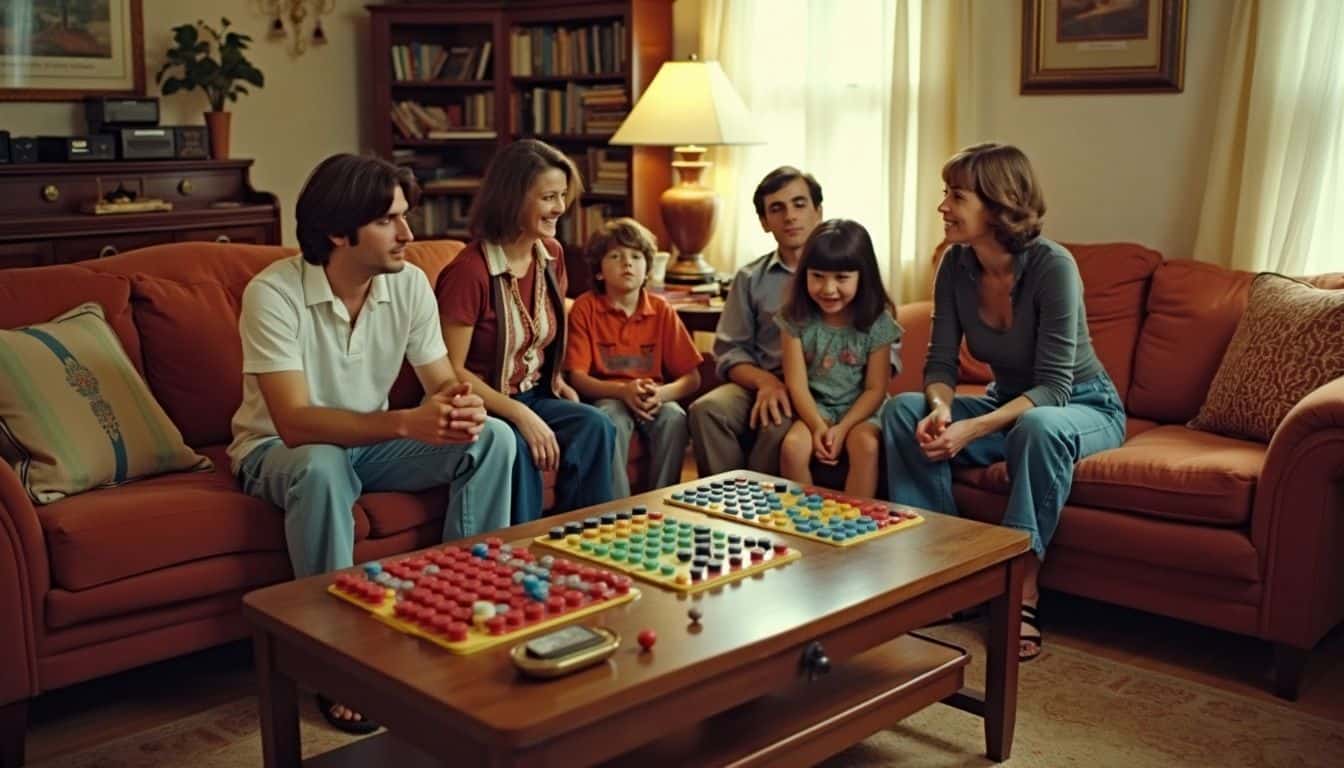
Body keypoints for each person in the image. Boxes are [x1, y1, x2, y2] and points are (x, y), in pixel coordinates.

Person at [228, 153, 516, 732]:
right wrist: (408, 423)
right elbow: (295, 423)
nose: (408, 234)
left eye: (405, 217)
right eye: (390, 221)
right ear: (339, 231)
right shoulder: (273, 294)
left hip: (370, 446)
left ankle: (463, 609)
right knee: (322, 466)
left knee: (494, 440)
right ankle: (338, 662)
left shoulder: (407, 283)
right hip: (278, 452)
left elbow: (441, 380)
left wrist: (460, 405)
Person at [879, 142, 1127, 662]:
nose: (943, 206)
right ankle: (948, 573)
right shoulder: (954, 265)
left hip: (1084, 406)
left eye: (956, 195)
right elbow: (941, 363)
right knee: (902, 412)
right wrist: (942, 409)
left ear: (997, 203)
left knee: (1040, 427)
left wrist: (973, 430)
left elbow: (1055, 389)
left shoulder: (1052, 267)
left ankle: (1021, 593)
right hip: (1007, 402)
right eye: (945, 194)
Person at [436, 139, 615, 522]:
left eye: (563, 196)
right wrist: (519, 413)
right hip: (485, 405)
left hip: (534, 393)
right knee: (517, 446)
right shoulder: (469, 272)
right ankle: (523, 556)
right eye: (548, 197)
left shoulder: (551, 255)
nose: (560, 208)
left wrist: (559, 378)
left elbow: (538, 333)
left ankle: (586, 543)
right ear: (513, 199)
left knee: (596, 426)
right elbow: (451, 371)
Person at [688, 166, 824, 476]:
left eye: (799, 204)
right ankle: (718, 503)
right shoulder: (750, 278)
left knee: (775, 422)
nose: (790, 216)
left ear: (818, 211)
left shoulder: (847, 272)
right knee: (706, 410)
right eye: (777, 209)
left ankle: (755, 512)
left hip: (821, 385)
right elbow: (729, 351)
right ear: (764, 222)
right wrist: (766, 382)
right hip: (762, 380)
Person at [566, 218, 703, 497]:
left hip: (652, 397)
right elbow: (577, 378)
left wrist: (662, 395)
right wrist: (622, 391)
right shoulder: (585, 308)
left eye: (636, 256)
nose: (627, 263)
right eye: (615, 256)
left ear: (647, 270)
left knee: (674, 418)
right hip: (608, 397)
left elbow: (692, 378)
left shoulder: (661, 309)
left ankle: (661, 502)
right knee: (610, 419)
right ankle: (620, 509)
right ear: (600, 271)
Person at [776, 219, 902, 498]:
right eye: (817, 276)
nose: (828, 288)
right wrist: (819, 426)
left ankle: (855, 519)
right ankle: (804, 519)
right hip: (817, 406)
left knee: (865, 446)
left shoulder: (878, 321)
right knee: (792, 447)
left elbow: (876, 388)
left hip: (863, 408)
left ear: (862, 276)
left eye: (842, 278)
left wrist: (844, 428)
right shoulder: (794, 319)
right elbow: (796, 385)